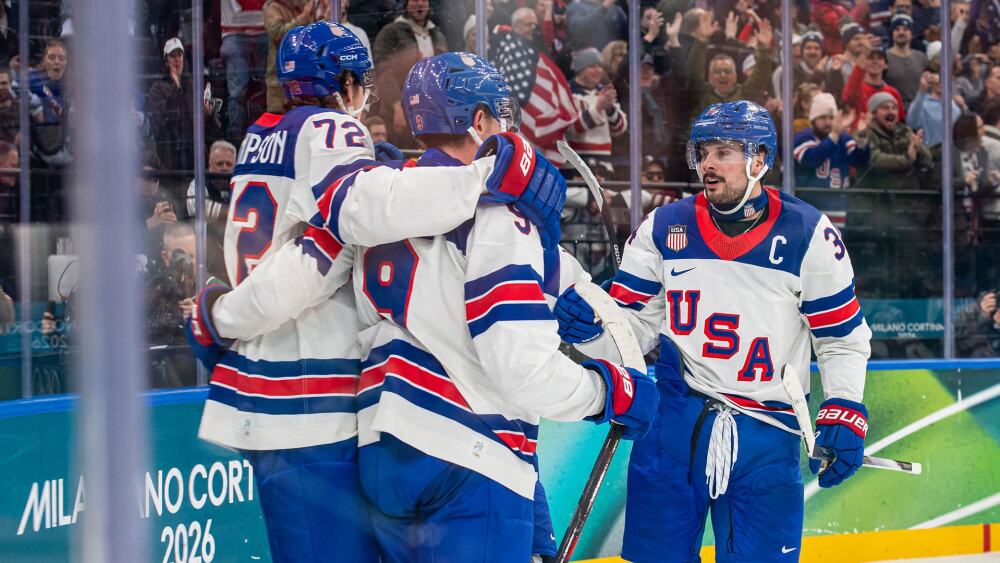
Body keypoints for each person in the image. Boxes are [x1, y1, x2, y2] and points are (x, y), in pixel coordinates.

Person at [185, 24, 569, 563]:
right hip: (310, 397)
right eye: (360, 81)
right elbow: (337, 233)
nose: (363, 94)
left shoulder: (261, 134)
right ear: (343, 82)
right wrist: (486, 176)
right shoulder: (333, 128)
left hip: (277, 394)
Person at [555, 100, 873, 562]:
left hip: (769, 432)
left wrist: (845, 405)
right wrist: (590, 333)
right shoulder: (665, 226)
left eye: (724, 151)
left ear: (759, 160)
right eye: (703, 151)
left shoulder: (808, 234)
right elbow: (633, 335)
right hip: (672, 426)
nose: (709, 163)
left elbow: (841, 337)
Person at [793, 92, 871, 228]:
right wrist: (834, 136)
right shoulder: (802, 138)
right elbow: (810, 159)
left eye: (831, 117)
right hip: (808, 208)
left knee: (835, 247)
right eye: (823, 117)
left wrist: (862, 136)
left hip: (838, 207)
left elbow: (860, 161)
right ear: (813, 119)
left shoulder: (843, 138)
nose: (828, 122)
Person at [565, 47, 626, 177]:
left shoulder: (604, 92)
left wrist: (609, 108)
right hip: (576, 165)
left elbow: (620, 128)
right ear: (580, 70)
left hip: (604, 165)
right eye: (593, 66)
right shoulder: (567, 92)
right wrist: (598, 108)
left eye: (600, 66)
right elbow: (571, 129)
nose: (598, 71)